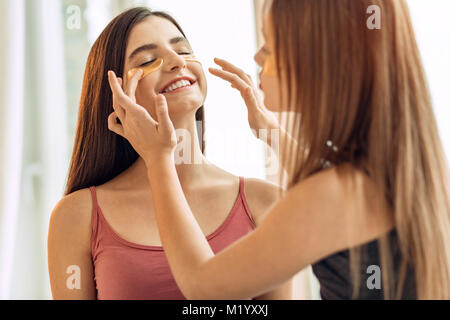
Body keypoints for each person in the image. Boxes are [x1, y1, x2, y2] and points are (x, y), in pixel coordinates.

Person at [106, 0, 450, 299]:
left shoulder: (325, 197)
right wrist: (270, 131)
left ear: (316, 67)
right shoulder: (401, 176)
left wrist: (158, 159)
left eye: (269, 46)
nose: (257, 55)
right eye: (149, 59)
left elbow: (201, 285)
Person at [47, 7, 293, 300]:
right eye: (149, 60)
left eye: (184, 50)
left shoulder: (265, 203)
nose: (177, 62)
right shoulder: (77, 215)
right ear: (116, 97)